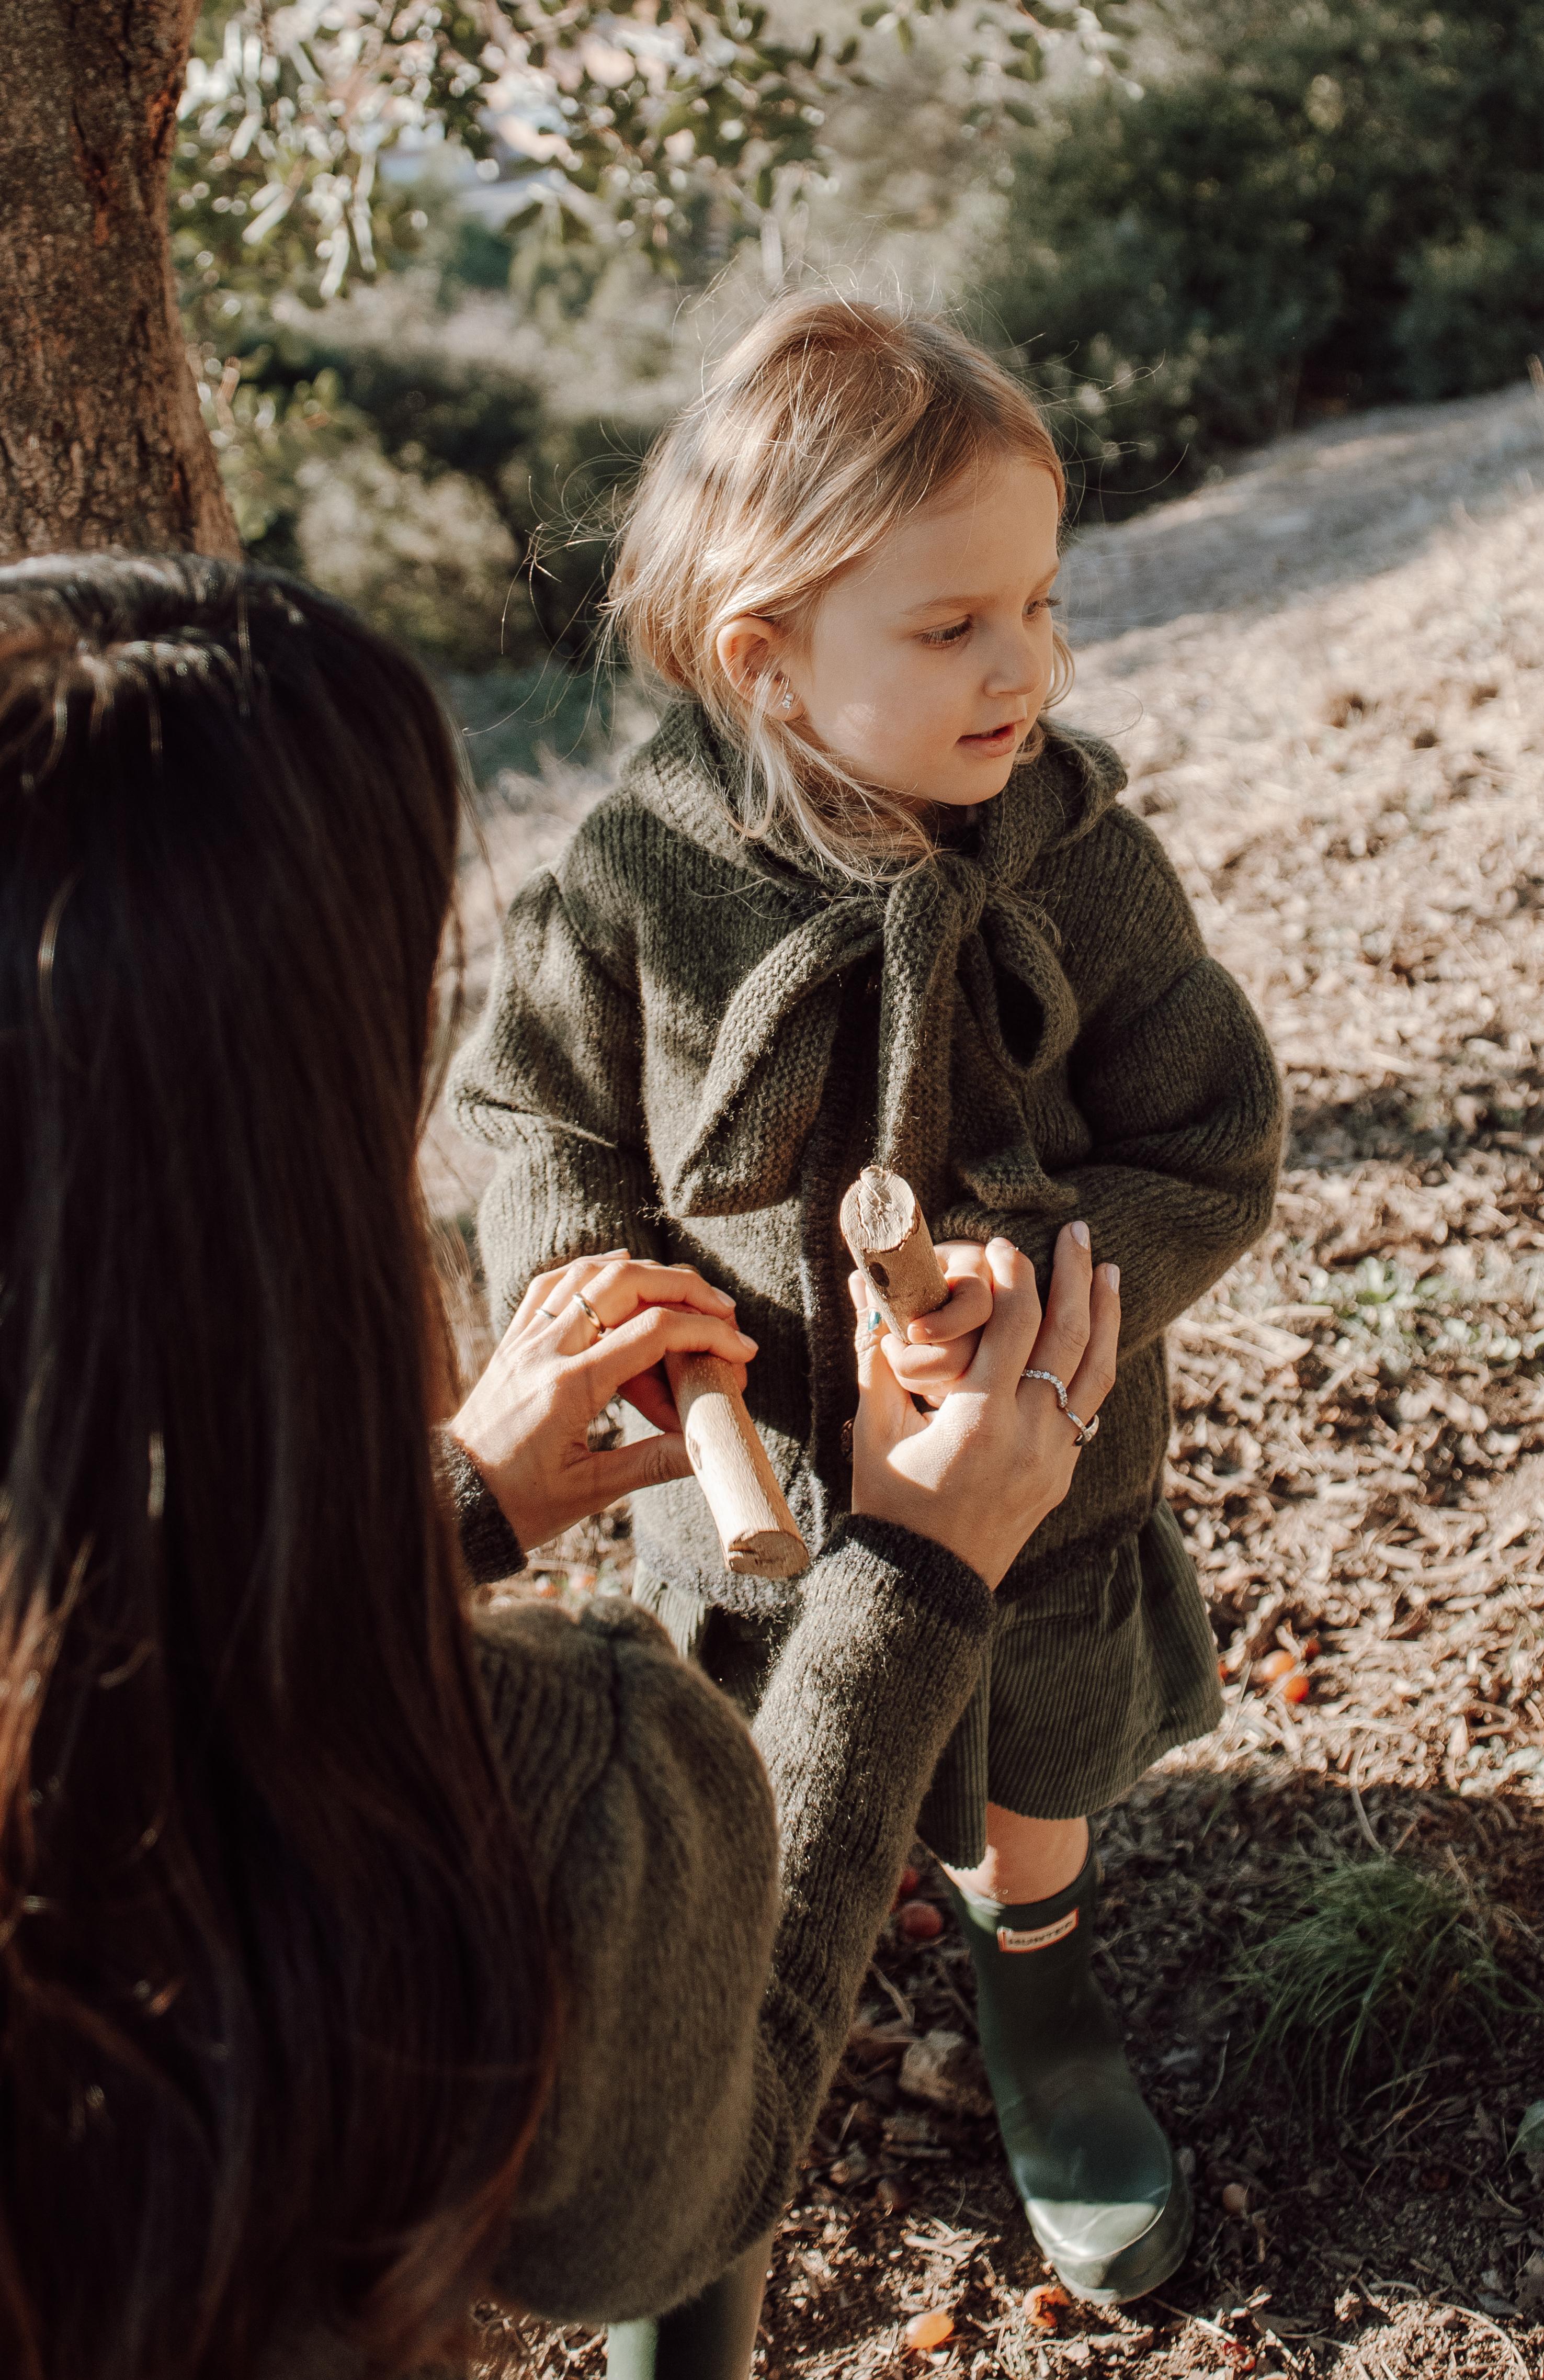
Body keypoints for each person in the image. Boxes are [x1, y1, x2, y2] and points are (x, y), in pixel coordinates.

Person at [0, 553, 1118, 2380]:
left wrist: (433, 1515)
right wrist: (916, 1571)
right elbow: (682, 2193)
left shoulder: (1079, 859)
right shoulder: (554, 1779)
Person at [451, 292, 1285, 2317]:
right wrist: (577, 1266)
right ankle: (725, 2050)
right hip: (743, 1502)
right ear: (770, 661)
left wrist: (1045, 1271)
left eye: (1040, 604)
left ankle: (1041, 2001)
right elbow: (520, 1106)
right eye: (951, 629)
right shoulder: (635, 877)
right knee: (756, 1778)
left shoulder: (1077, 861)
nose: (1030, 665)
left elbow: (1213, 1129)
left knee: (1024, 1758)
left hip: (1031, 1466)